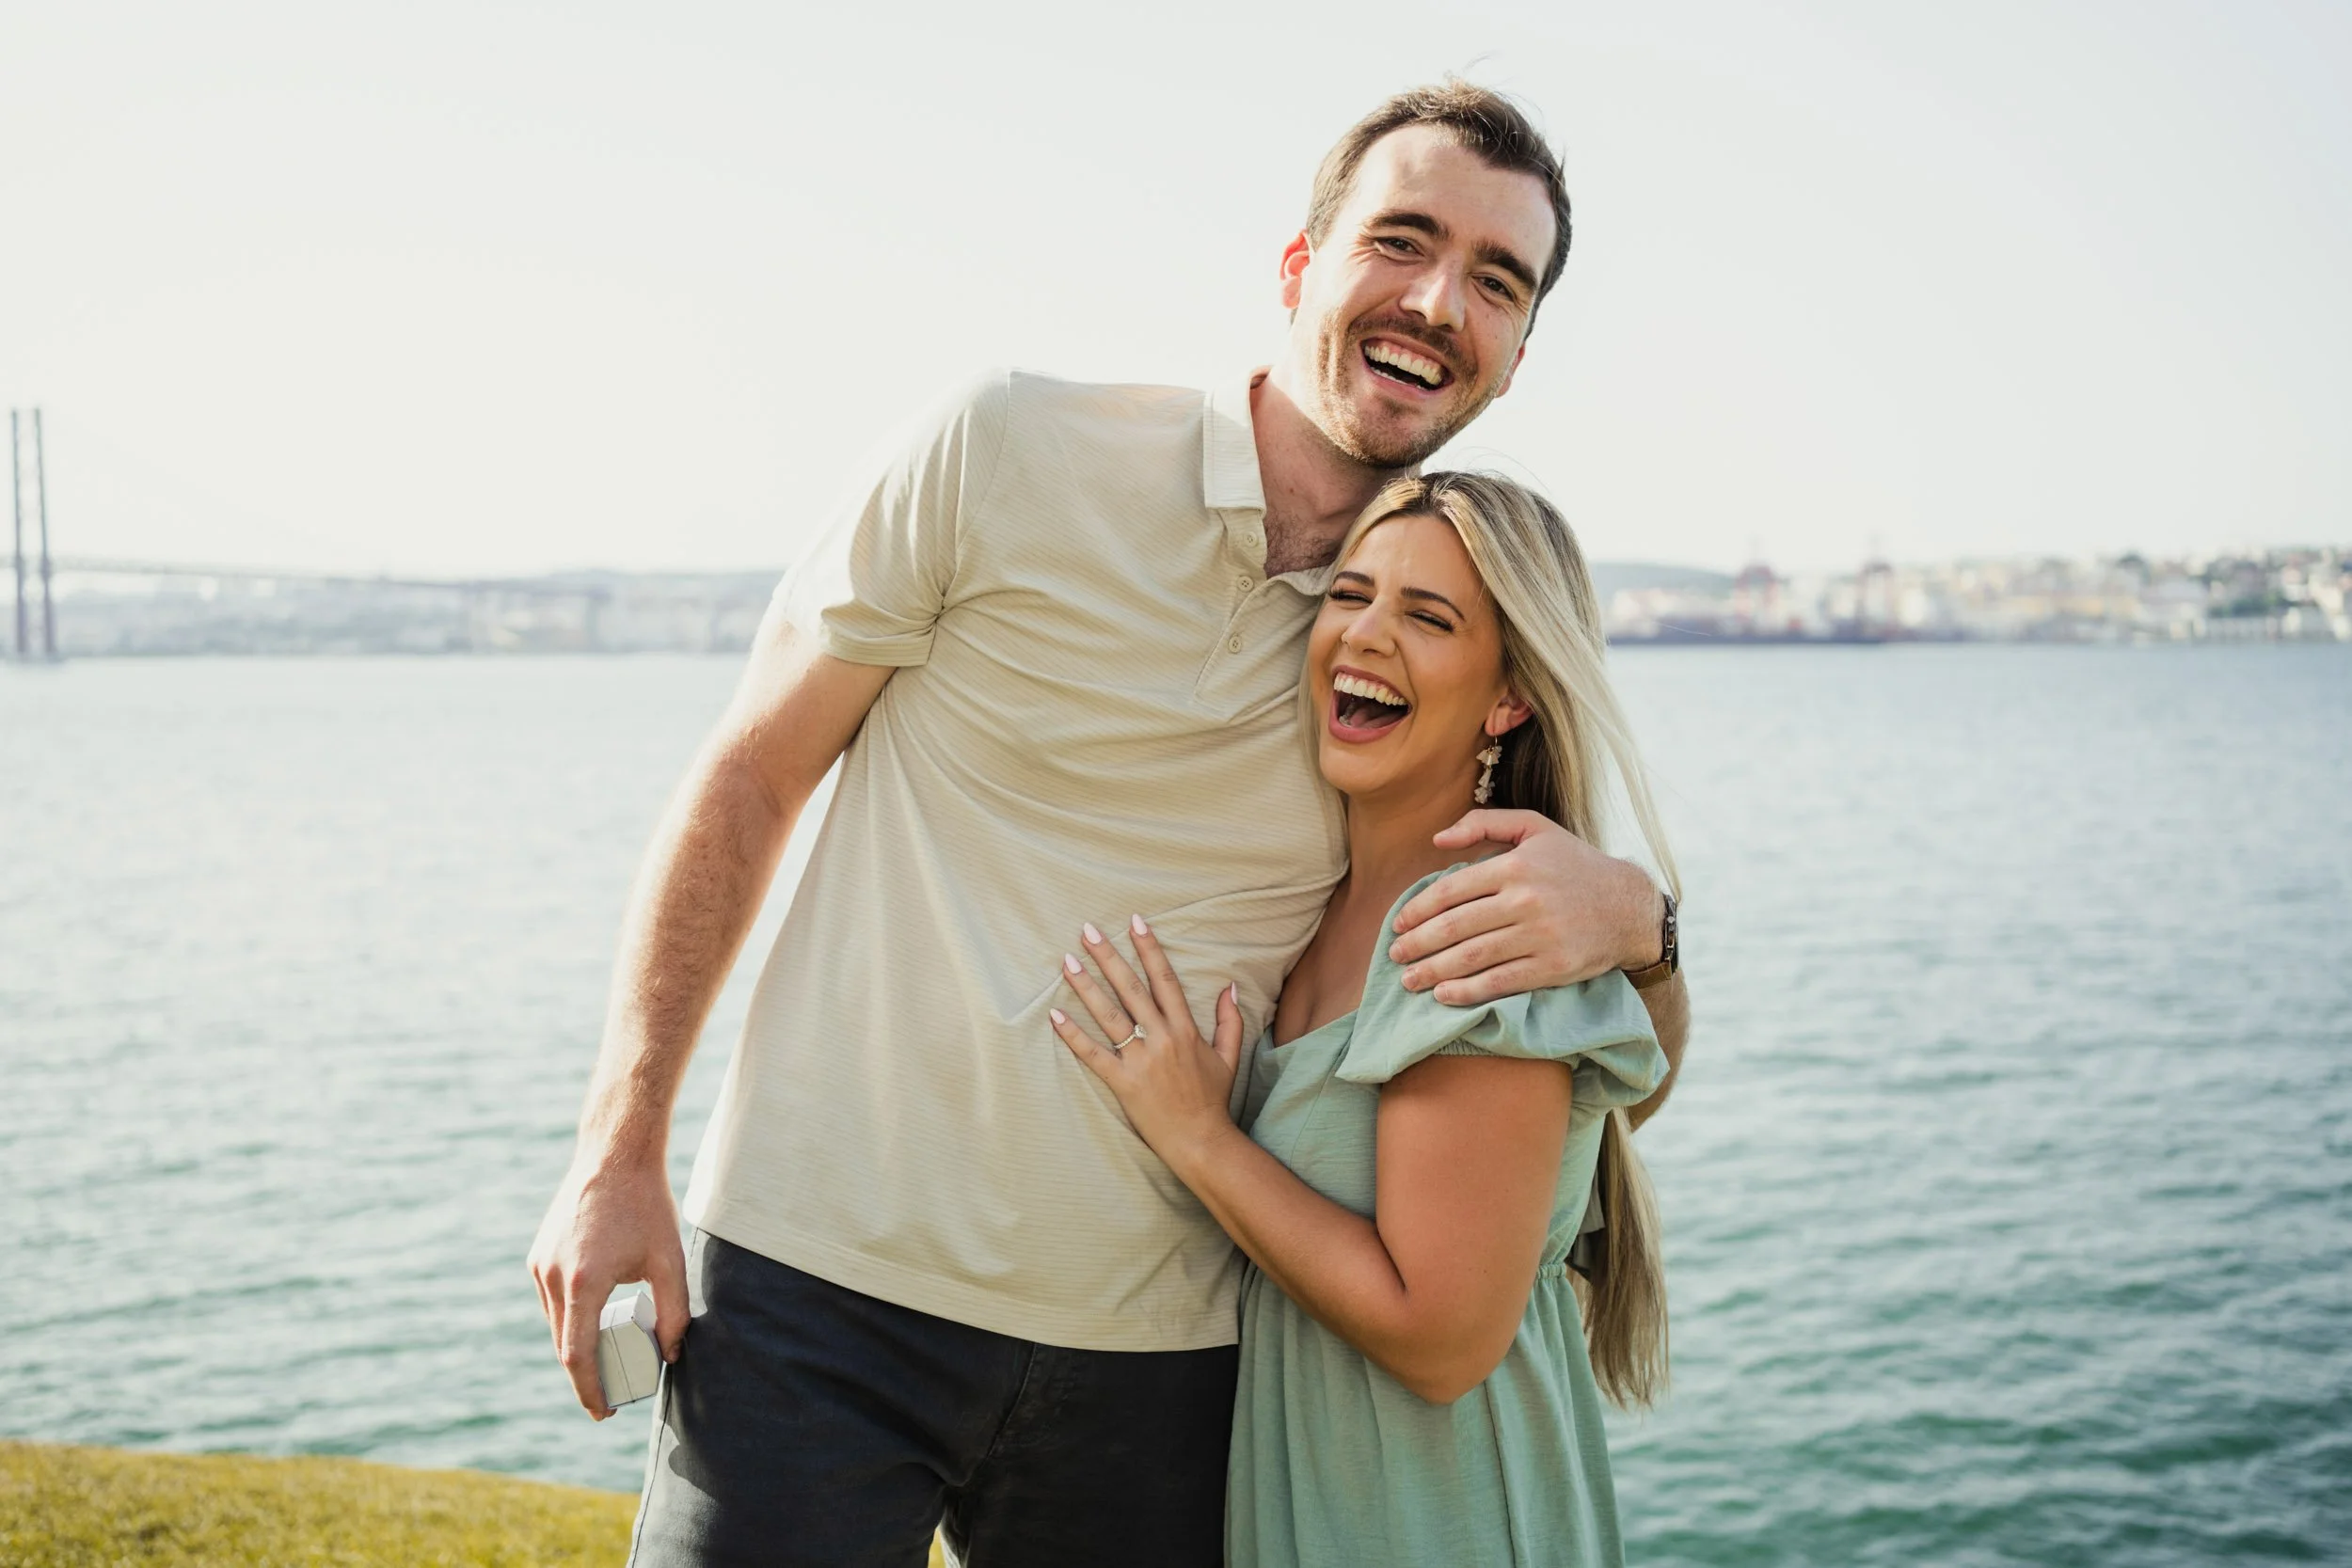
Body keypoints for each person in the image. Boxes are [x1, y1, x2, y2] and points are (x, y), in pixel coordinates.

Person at [527, 80, 1691, 1568]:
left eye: (1495, 281)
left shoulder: (1412, 669)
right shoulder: (1003, 448)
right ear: (1299, 265)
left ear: (1518, 356)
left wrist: (1648, 921)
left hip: (1172, 1359)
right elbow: (754, 770)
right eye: (1400, 241)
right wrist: (617, 1145)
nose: (1436, 300)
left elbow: (1591, 1081)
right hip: (823, 1287)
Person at [1054, 470, 1677, 1568]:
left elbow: (1438, 1336)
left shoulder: (1482, 931)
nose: (1366, 636)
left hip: (1441, 1519)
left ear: (1508, 696)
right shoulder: (1322, 908)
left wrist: (1198, 1135)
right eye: (1350, 595)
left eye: (1428, 616)